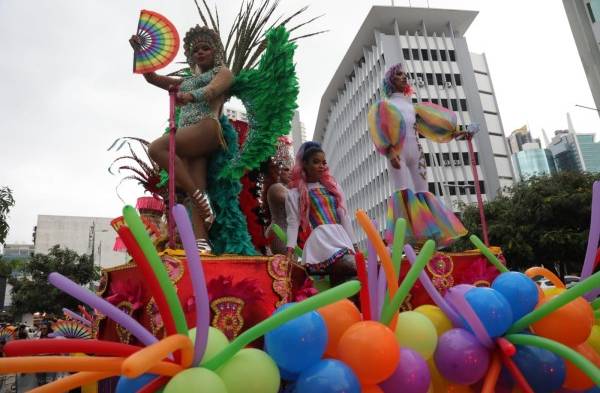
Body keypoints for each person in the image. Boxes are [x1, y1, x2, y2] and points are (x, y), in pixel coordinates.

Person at [129, 25, 233, 254]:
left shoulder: (222, 72)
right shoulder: (184, 80)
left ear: (215, 51)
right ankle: (201, 241)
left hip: (206, 128)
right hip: (188, 140)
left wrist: (190, 96)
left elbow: (213, 90)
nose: (200, 53)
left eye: (205, 48)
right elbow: (152, 78)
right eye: (196, 51)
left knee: (157, 148)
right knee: (196, 181)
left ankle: (200, 200)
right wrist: (140, 52)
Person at [371, 63, 467, 248]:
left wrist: (454, 132)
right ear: (391, 80)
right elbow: (380, 129)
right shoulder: (385, 106)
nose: (404, 77)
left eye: (404, 75)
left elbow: (434, 125)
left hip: (417, 154)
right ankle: (409, 241)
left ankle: (428, 240)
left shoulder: (413, 107)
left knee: (423, 192)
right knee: (404, 194)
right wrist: (390, 151)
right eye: (399, 74)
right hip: (398, 154)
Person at [285, 142, 358, 287]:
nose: (322, 166)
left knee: (350, 275)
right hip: (322, 242)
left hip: (341, 238)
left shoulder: (333, 187)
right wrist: (289, 253)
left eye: (324, 162)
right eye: (316, 162)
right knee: (352, 267)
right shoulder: (295, 193)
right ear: (304, 164)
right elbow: (293, 224)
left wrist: (355, 246)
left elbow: (344, 216)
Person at [263, 137, 293, 255]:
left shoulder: (285, 188)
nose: (290, 171)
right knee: (283, 267)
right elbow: (296, 200)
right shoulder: (276, 188)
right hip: (279, 232)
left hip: (286, 232)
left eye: (290, 168)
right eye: (286, 169)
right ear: (276, 170)